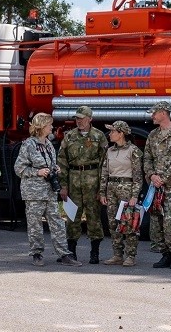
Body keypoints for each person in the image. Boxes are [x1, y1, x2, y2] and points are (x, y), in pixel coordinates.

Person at [15, 112, 83, 268]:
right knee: (35, 225)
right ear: (41, 126)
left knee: (57, 222)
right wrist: (37, 172)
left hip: (49, 191)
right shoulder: (28, 145)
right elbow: (19, 168)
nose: (52, 127)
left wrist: (54, 168)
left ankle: (64, 254)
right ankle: (37, 254)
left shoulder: (48, 144)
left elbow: (49, 163)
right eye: (49, 125)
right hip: (34, 192)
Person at [56, 105, 108, 263]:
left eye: (82, 118)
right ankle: (71, 251)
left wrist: (102, 188)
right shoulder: (70, 136)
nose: (79, 121)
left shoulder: (99, 136)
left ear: (90, 119)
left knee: (94, 217)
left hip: (93, 181)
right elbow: (62, 161)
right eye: (77, 119)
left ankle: (95, 252)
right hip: (74, 181)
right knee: (72, 217)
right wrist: (63, 186)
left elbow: (104, 164)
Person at [143, 101, 171, 270]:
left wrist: (162, 178)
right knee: (156, 221)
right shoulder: (153, 135)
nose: (152, 116)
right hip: (156, 186)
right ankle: (165, 254)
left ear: (163, 113)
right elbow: (147, 158)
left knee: (170, 221)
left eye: (154, 113)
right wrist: (152, 175)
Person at [99, 121, 143, 266]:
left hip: (127, 187)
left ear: (121, 133)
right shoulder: (109, 150)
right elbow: (104, 172)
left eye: (113, 131)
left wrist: (134, 195)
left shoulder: (133, 150)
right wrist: (102, 192)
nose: (110, 134)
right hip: (112, 187)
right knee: (112, 222)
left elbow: (137, 175)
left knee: (129, 222)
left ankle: (130, 255)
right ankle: (117, 254)